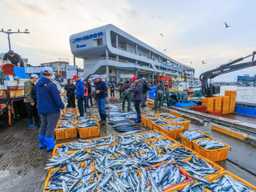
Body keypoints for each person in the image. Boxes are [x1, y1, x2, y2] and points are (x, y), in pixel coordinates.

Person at [36, 70, 64, 151]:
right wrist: (62, 106)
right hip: (52, 110)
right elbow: (57, 98)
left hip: (41, 109)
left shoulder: (38, 84)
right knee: (50, 127)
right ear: (51, 75)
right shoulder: (51, 85)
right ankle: (50, 145)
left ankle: (42, 143)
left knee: (43, 125)